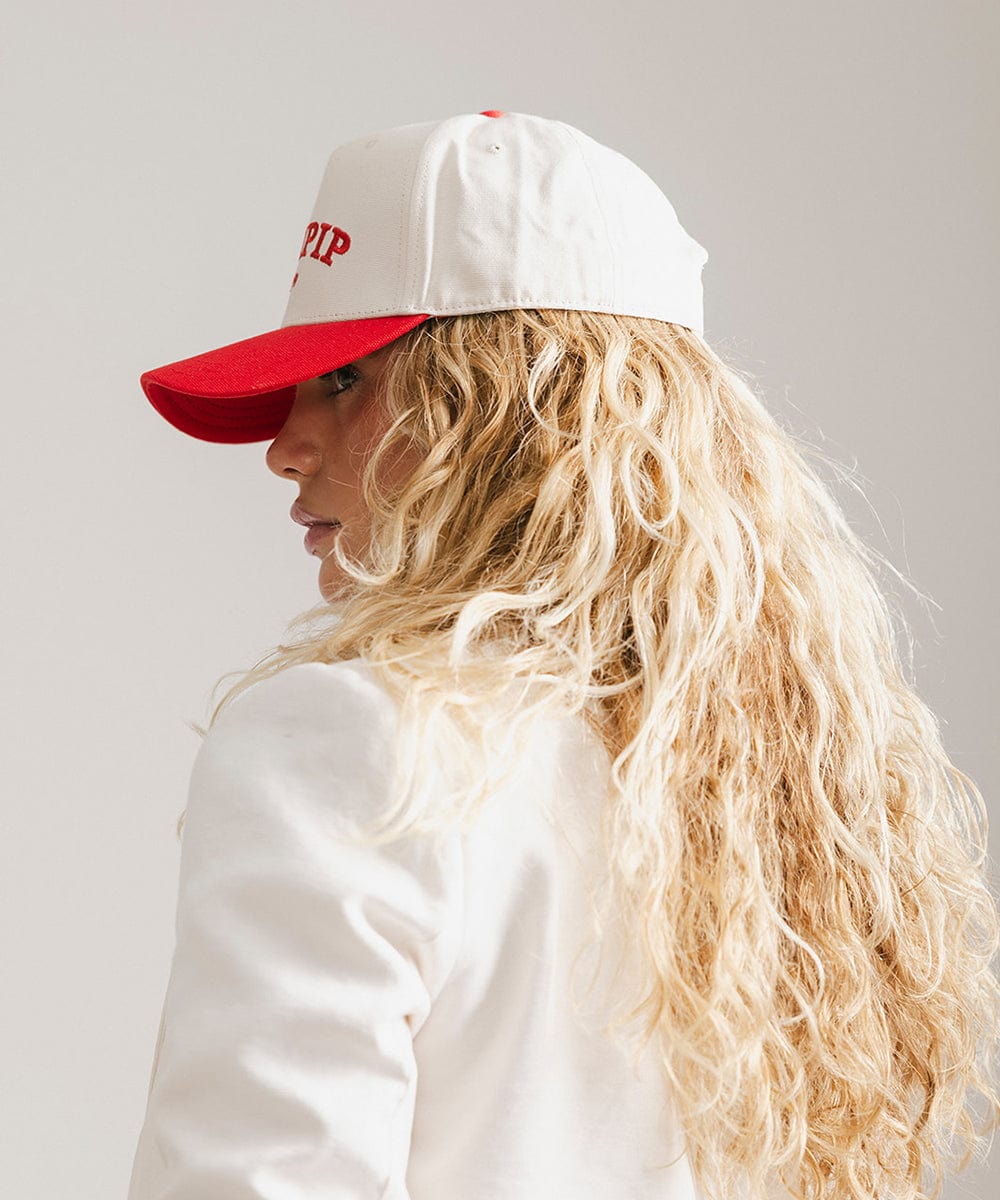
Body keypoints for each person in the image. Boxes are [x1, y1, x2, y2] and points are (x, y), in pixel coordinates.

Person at [126, 111, 1000, 1200]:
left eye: (345, 381)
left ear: (515, 410)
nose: (284, 447)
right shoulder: (779, 779)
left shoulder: (343, 740)